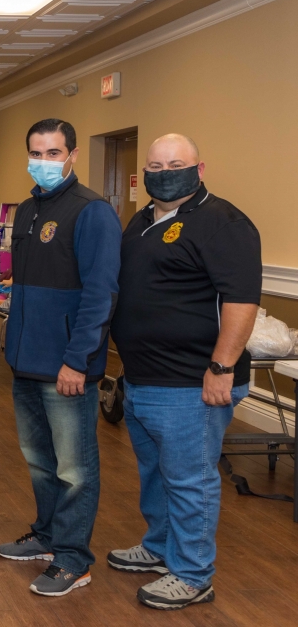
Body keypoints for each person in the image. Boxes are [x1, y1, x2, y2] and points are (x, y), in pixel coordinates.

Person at [109, 134, 260, 611]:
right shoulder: (140, 220)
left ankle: (193, 574)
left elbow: (241, 301)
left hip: (193, 383)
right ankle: (159, 548)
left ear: (199, 168)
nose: (163, 170)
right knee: (156, 473)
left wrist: (221, 367)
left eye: (175, 162)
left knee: (190, 479)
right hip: (142, 378)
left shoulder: (224, 223)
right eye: (154, 164)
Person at [0, 119, 122, 596]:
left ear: (71, 155)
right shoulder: (28, 210)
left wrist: (78, 359)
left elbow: (100, 294)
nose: (44, 161)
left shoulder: (92, 212)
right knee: (39, 461)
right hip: (26, 363)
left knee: (74, 468)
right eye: (36, 152)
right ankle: (48, 537)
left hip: (68, 367)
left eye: (53, 153)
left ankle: (73, 558)